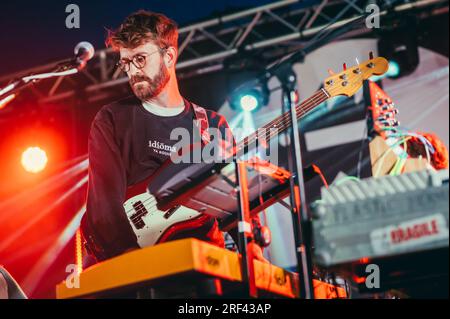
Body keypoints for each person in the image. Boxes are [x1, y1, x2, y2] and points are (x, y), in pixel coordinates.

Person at [80, 10, 265, 262]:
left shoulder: (211, 124)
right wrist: (131, 259)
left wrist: (251, 246)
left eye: (141, 59)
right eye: (126, 62)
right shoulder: (112, 119)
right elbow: (104, 203)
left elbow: (234, 201)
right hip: (140, 261)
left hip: (206, 262)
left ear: (169, 56)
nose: (132, 71)